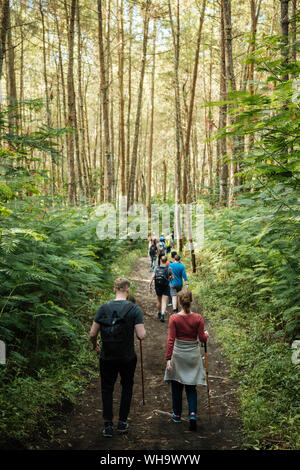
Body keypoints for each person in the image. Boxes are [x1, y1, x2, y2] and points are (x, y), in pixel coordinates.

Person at [90, 278, 146, 438]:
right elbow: (141, 335)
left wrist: (95, 345)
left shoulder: (103, 308)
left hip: (107, 356)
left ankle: (108, 425)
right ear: (127, 290)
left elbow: (93, 333)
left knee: (107, 388)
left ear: (115, 289)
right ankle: (122, 422)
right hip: (127, 357)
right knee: (127, 386)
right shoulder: (134, 310)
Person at [164, 289, 208, 431]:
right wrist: (206, 335)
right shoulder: (198, 318)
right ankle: (193, 414)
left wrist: (168, 359)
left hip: (179, 354)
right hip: (193, 354)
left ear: (180, 302)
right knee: (191, 386)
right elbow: (202, 339)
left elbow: (171, 340)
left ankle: (177, 414)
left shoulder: (174, 318)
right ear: (191, 300)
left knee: (177, 385)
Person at [149, 255, 173, 323]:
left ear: (160, 260)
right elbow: (172, 277)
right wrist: (169, 278)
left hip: (158, 286)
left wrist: (150, 285)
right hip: (166, 286)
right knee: (164, 301)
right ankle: (162, 314)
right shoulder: (169, 268)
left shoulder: (156, 268)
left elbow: (153, 277)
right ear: (166, 261)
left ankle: (159, 312)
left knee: (159, 300)